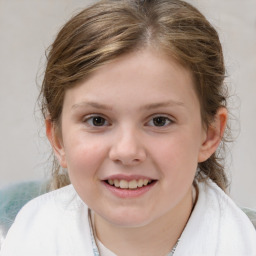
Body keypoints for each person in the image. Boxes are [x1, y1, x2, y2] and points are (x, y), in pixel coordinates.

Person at [1, 0, 256, 255]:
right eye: (97, 120)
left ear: (209, 135)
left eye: (159, 120)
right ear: (58, 139)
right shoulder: (23, 240)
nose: (126, 151)